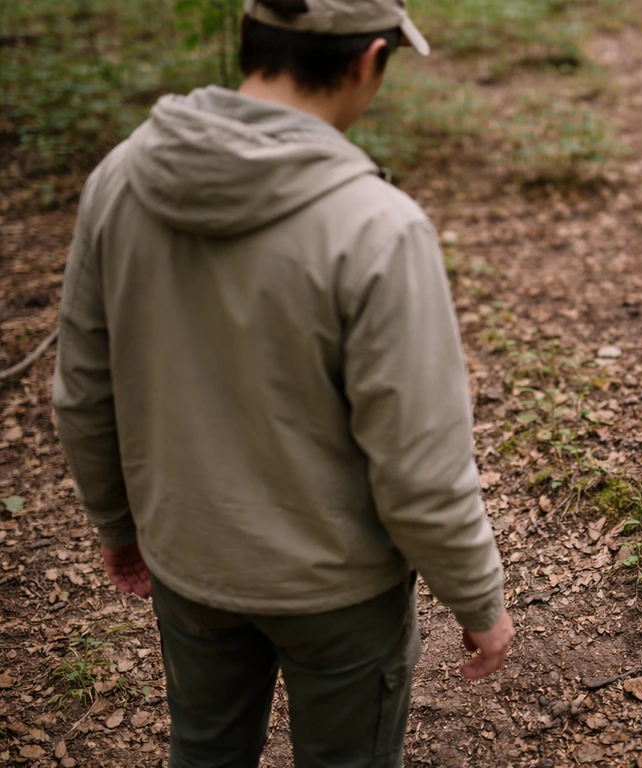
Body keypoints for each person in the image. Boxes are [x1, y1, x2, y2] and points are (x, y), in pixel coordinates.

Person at [51, 0, 514, 765]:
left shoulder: (120, 179)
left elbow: (83, 389)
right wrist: (477, 598)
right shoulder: (378, 226)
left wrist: (117, 522)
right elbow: (419, 467)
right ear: (369, 59)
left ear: (248, 40)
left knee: (203, 748)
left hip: (188, 560)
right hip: (338, 589)